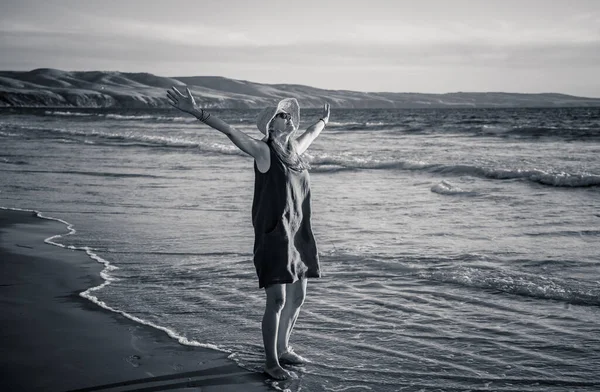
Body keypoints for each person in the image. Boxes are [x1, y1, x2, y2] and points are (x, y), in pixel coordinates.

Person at [166, 87, 330, 380]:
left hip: (298, 233)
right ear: (271, 126)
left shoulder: (295, 150)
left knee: (299, 296)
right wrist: (196, 111)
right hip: (275, 234)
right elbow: (230, 132)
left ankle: (283, 348)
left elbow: (312, 134)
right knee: (277, 300)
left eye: (288, 114)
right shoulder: (263, 151)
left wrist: (323, 121)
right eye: (282, 115)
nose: (288, 117)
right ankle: (271, 361)